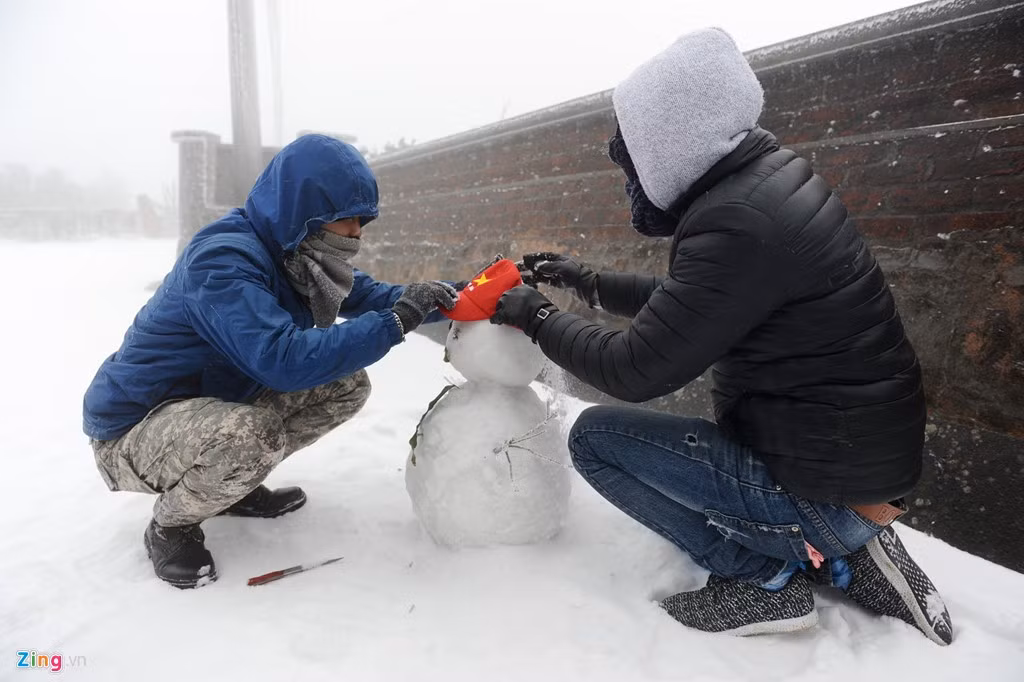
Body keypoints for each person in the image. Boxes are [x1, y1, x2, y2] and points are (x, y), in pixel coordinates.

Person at [491, 29, 953, 644]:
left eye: (634, 161)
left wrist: (536, 316)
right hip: (859, 474)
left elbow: (635, 370)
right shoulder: (769, 184)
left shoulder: (737, 222)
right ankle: (853, 545)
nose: (631, 180)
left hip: (822, 488)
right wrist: (591, 285)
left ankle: (763, 578)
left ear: (671, 145)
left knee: (595, 439)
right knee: (804, 494)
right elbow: (699, 304)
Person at [83, 134, 458, 589]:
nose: (357, 232)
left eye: (363, 220)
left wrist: (467, 295)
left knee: (346, 384)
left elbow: (378, 297)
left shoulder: (298, 254)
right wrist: (396, 322)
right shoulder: (223, 262)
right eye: (347, 218)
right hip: (133, 428)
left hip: (204, 405)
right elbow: (282, 360)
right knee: (254, 436)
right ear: (305, 212)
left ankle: (229, 486)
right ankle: (171, 525)